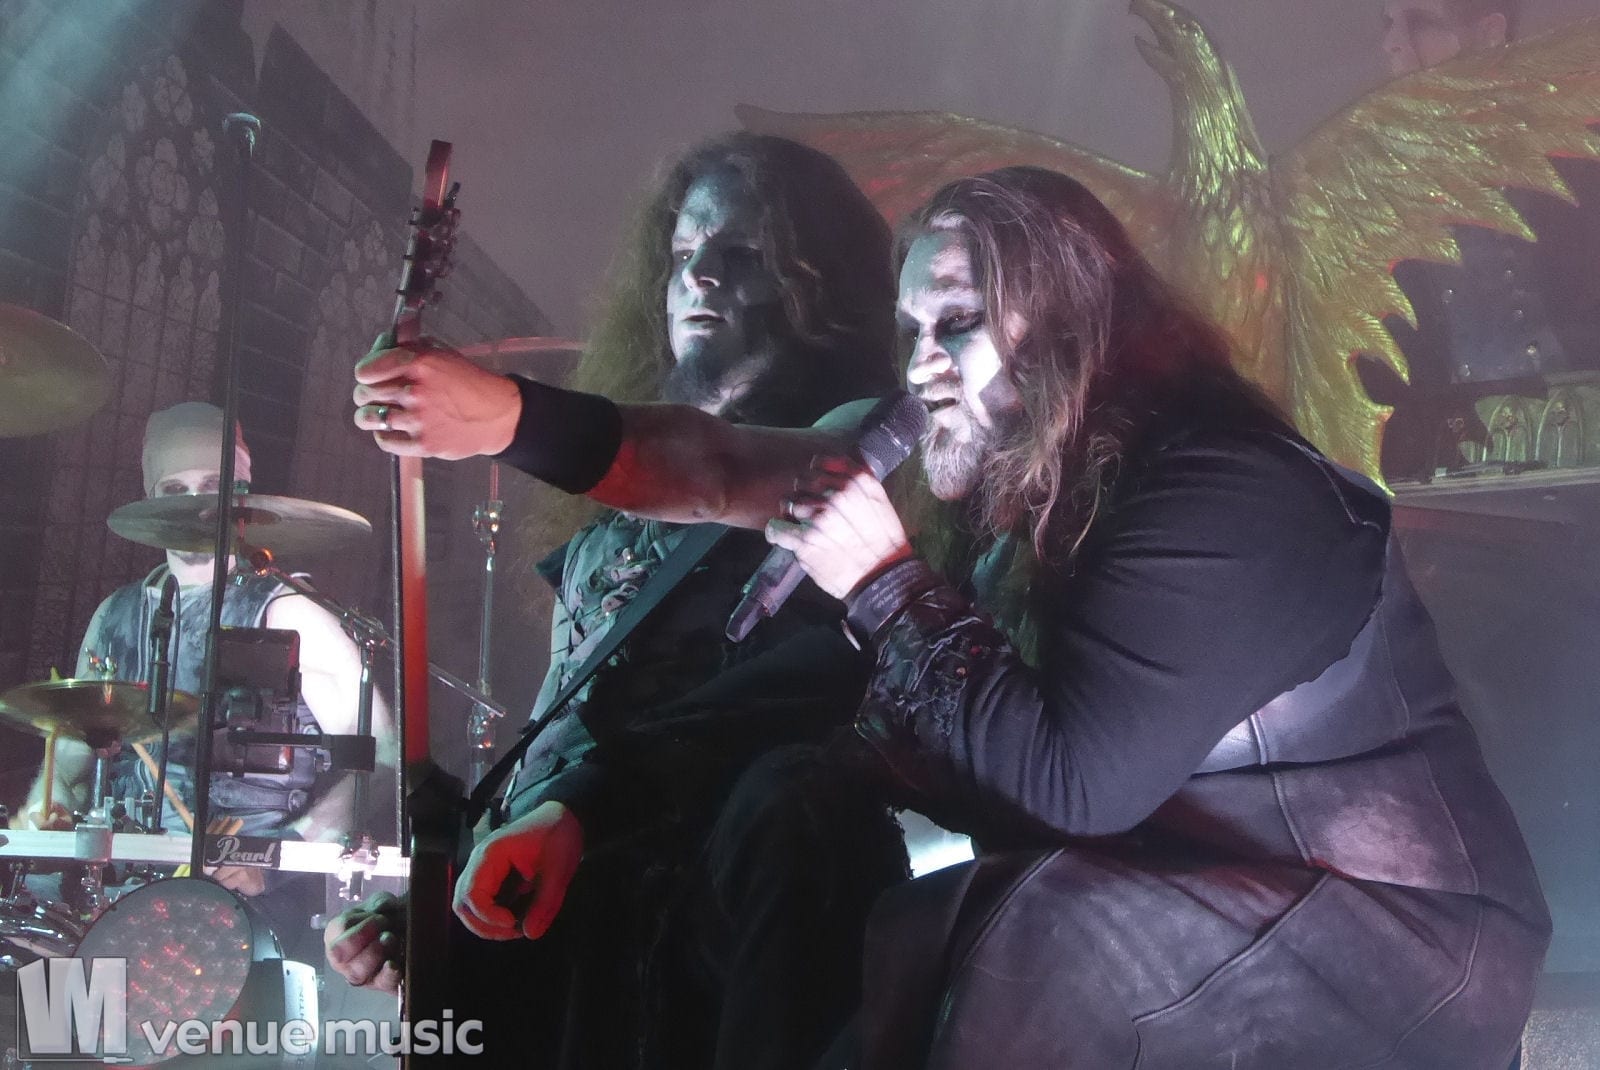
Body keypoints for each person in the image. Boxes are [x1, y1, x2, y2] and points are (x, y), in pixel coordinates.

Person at [370, 166, 1552, 1068]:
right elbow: (727, 472)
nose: (921, 364)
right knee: (824, 837)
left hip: (1386, 934)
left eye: (956, 323)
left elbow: (1074, 783)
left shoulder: (1224, 492)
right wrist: (502, 420)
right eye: (910, 330)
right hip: (1164, 885)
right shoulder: (1005, 474)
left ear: (1070, 326)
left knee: (1034, 943)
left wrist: (883, 579)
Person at [328, 133, 909, 1069]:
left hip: (699, 954)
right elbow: (563, 731)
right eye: (684, 254)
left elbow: (725, 497)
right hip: (558, 943)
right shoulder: (610, 526)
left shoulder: (866, 456)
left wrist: (504, 415)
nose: (701, 278)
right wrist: (446, 898)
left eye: (745, 254)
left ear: (822, 285)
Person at [17, 401, 388, 904]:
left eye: (213, 486)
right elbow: (68, 765)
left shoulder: (289, 612)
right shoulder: (116, 615)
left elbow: (383, 758)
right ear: (150, 500)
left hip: (245, 893)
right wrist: (49, 809)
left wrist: (282, 853)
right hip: (122, 883)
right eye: (175, 490)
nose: (193, 506)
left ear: (241, 497)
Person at [1375, 0, 1600, 478]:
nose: (1393, 44)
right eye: (1389, 24)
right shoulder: (1381, 184)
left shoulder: (1579, 148)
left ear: (1490, 32)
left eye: (1421, 23)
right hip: (1448, 472)